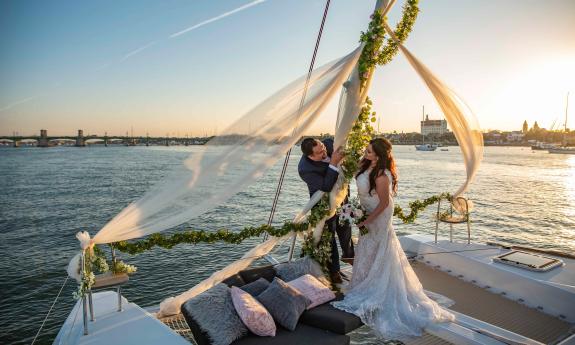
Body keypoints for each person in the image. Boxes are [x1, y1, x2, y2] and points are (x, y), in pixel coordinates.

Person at [332, 138, 454, 340]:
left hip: (378, 215)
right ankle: (363, 281)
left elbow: (384, 204)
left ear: (379, 156)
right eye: (367, 150)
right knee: (366, 247)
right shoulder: (364, 164)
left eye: (370, 152)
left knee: (378, 247)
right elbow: (350, 172)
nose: (366, 153)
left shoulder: (382, 176)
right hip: (365, 211)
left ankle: (377, 284)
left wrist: (366, 221)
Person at [298, 137, 350, 283]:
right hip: (323, 204)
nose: (324, 152)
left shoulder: (329, 143)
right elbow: (325, 186)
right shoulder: (305, 169)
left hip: (342, 197)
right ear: (310, 156)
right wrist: (333, 162)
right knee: (329, 236)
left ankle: (349, 254)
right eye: (320, 153)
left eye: (323, 148)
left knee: (346, 225)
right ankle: (334, 272)